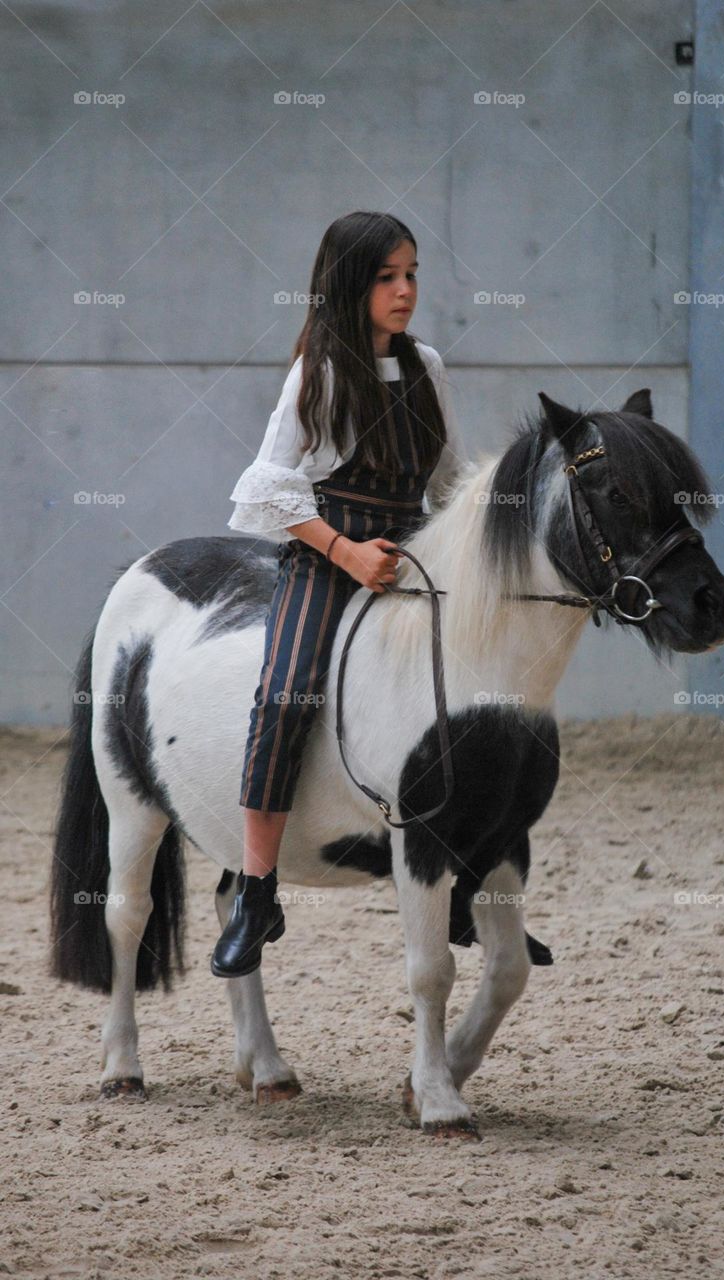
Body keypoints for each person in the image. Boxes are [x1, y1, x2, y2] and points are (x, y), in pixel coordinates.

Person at [211, 211, 466, 978]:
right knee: (283, 696)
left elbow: (451, 481)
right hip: (328, 558)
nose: (405, 291)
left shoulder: (429, 366)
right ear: (351, 285)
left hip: (411, 556)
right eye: (388, 277)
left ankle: (469, 878)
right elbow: (270, 489)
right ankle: (257, 889)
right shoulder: (316, 373)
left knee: (484, 699)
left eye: (412, 274)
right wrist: (347, 552)